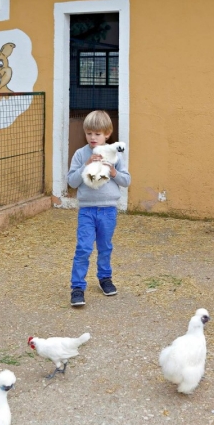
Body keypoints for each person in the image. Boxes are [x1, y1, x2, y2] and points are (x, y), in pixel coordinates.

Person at [66, 110, 131, 306]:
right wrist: (85, 166)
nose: (92, 138)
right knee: (84, 248)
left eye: (97, 134)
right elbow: (72, 182)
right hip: (87, 210)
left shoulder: (115, 154)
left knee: (105, 247)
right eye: (89, 133)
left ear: (107, 134)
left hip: (108, 210)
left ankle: (105, 279)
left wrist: (113, 171)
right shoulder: (80, 154)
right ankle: (77, 287)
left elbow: (126, 180)